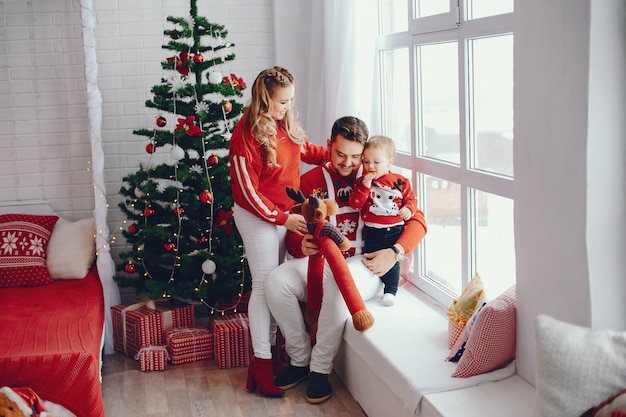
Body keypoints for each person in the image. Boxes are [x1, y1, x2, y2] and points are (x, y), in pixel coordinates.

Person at [265, 116, 427, 404]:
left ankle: (319, 369)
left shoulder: (382, 177)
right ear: (329, 146)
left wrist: (395, 252)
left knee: (341, 285)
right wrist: (301, 244)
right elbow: (293, 230)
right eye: (340, 154)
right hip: (320, 262)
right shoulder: (310, 181)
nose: (348, 163)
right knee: (276, 282)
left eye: (356, 156)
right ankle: (300, 359)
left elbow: (418, 220)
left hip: (364, 265)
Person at [228, 66, 328, 397]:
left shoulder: (285, 123)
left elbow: (305, 150)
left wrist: (344, 157)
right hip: (258, 216)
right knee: (262, 284)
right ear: (265, 98)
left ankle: (272, 357)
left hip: (283, 214)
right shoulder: (245, 135)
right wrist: (281, 219)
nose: (287, 107)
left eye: (290, 101)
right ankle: (261, 361)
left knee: (274, 285)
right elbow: (247, 194)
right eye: (282, 102)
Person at [348, 135, 419, 306]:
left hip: (394, 229)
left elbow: (411, 200)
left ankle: (390, 291)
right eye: (366, 162)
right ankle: (375, 282)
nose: (370, 166)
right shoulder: (362, 182)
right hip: (372, 230)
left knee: (391, 260)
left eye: (376, 162)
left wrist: (408, 209)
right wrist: (364, 186)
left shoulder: (400, 182)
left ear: (389, 161)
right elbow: (355, 203)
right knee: (372, 257)